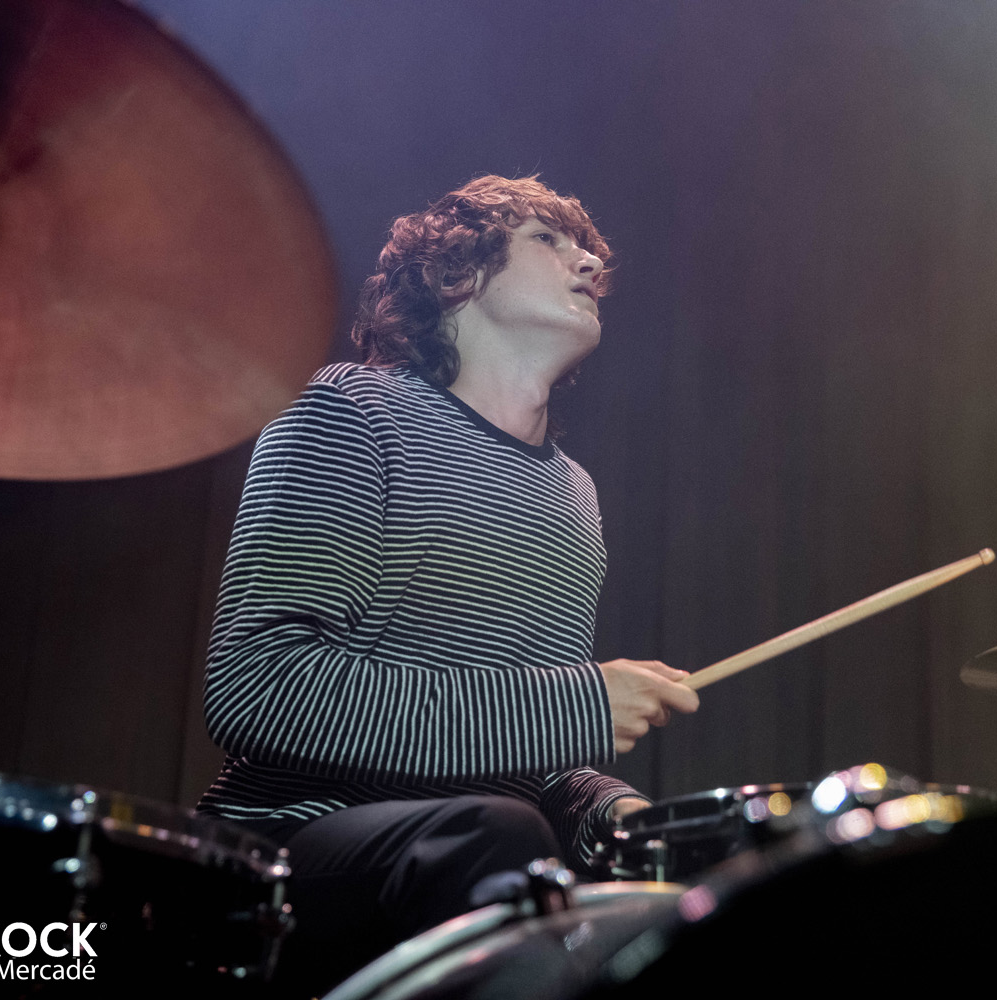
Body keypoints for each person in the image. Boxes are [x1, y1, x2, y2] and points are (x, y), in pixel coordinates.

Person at [196, 174, 699, 991]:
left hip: (481, 844)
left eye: (590, 253)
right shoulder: (350, 413)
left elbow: (526, 755)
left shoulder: (573, 494)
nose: (589, 263)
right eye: (549, 240)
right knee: (494, 838)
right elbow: (258, 686)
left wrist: (614, 811)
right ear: (455, 275)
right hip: (285, 850)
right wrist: (576, 707)